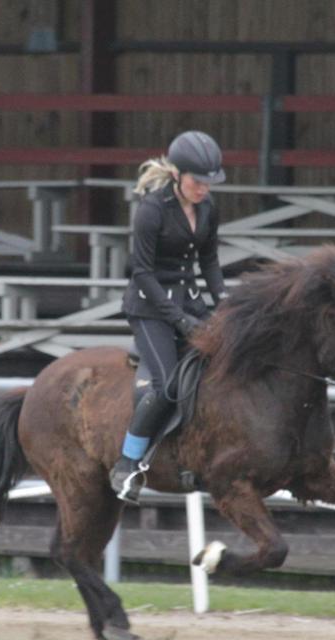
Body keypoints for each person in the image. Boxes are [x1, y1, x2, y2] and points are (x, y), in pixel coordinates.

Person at [109, 130, 230, 503]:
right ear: (177, 174)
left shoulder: (207, 209)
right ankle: (127, 463)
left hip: (188, 301)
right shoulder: (152, 210)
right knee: (168, 385)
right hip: (149, 307)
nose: (204, 189)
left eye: (210, 183)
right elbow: (141, 272)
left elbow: (208, 261)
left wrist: (224, 304)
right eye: (198, 181)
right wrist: (178, 320)